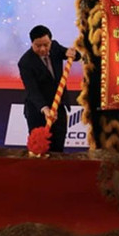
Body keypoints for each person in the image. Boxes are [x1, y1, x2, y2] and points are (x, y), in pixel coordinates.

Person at [18, 25, 80, 153]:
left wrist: (73, 53)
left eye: (46, 45)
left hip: (59, 106)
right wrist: (45, 109)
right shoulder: (25, 62)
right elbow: (32, 90)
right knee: (40, 149)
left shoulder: (55, 47)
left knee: (58, 147)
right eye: (38, 45)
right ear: (32, 44)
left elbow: (75, 55)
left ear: (50, 41)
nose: (42, 49)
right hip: (38, 111)